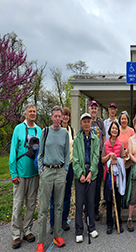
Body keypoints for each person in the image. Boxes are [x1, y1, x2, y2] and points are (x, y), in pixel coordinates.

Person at [36, 106, 70, 252]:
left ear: (62, 117)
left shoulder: (64, 133)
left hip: (60, 171)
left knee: (58, 206)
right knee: (43, 208)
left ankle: (57, 235)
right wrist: (41, 171)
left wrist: (65, 170)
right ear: (51, 116)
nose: (57, 119)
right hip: (47, 171)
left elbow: (67, 154)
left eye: (59, 116)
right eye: (55, 116)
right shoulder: (45, 131)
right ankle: (41, 241)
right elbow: (40, 153)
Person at [9, 103, 42, 249]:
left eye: (34, 111)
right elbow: (13, 152)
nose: (33, 113)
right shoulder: (18, 129)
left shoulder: (39, 130)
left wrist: (41, 172)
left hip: (34, 174)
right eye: (30, 111)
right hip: (20, 175)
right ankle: (16, 234)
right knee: (17, 204)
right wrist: (13, 172)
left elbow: (42, 153)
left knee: (31, 204)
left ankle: (27, 230)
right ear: (25, 114)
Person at [73, 113, 100, 243]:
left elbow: (96, 156)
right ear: (81, 123)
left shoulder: (95, 138)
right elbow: (75, 159)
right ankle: (79, 230)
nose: (86, 123)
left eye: (88, 121)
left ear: (91, 123)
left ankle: (91, 227)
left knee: (90, 202)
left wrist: (91, 173)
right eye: (84, 121)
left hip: (92, 174)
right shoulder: (77, 138)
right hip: (80, 175)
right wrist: (80, 174)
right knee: (79, 203)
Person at [50, 107, 75, 233]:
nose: (65, 117)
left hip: (69, 165)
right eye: (63, 115)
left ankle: (64, 220)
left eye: (67, 115)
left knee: (66, 193)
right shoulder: (54, 130)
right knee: (55, 195)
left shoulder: (71, 130)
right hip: (57, 167)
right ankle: (53, 222)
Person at [102, 121, 126, 234]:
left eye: (116, 128)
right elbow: (102, 160)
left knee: (118, 199)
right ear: (110, 130)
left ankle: (119, 221)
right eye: (113, 128)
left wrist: (117, 160)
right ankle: (109, 223)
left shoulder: (120, 144)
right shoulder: (106, 144)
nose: (114, 130)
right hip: (108, 176)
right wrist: (109, 156)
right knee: (109, 200)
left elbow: (123, 159)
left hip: (117, 178)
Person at [88, 100, 106, 221]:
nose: (94, 110)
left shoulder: (100, 122)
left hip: (99, 155)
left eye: (95, 108)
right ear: (89, 109)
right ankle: (87, 209)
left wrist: (104, 153)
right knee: (88, 183)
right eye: (92, 108)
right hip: (89, 155)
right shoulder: (85, 120)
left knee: (98, 183)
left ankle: (95, 209)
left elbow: (104, 138)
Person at [117, 110, 135, 180]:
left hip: (129, 159)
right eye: (122, 119)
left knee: (128, 179)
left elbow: (134, 142)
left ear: (128, 120)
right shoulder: (117, 131)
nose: (124, 120)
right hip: (119, 158)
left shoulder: (131, 130)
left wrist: (128, 150)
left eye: (125, 119)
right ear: (119, 120)